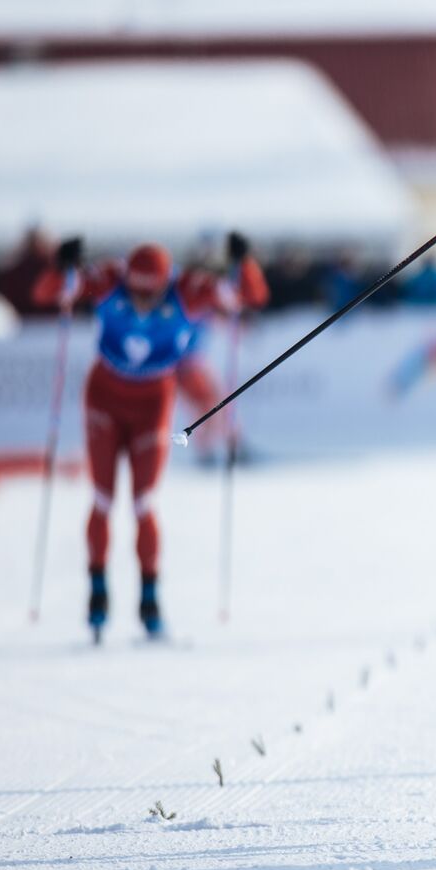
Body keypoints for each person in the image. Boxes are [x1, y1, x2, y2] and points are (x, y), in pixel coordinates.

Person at [33, 233, 268, 640]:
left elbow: (249, 295)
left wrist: (243, 261)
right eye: (136, 293)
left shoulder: (188, 291)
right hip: (104, 399)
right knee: (103, 498)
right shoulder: (109, 281)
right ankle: (98, 591)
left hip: (153, 402)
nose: (142, 303)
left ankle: (149, 599)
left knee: (144, 502)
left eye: (151, 294)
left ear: (165, 283)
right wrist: (60, 265)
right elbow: (48, 293)